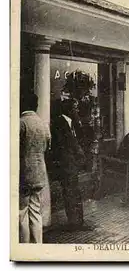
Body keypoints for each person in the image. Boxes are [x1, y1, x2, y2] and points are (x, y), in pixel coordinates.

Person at [50, 98, 91, 231]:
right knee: (70, 192)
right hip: (66, 165)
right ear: (68, 110)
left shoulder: (71, 123)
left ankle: (78, 221)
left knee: (74, 192)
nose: (77, 110)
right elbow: (63, 147)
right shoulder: (59, 123)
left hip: (71, 164)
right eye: (75, 108)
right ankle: (74, 222)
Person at [19, 93, 51, 243]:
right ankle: (38, 245)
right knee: (35, 210)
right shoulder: (43, 123)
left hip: (24, 173)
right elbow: (47, 147)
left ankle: (24, 247)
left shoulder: (21, 123)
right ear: (36, 106)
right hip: (40, 173)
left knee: (22, 212)